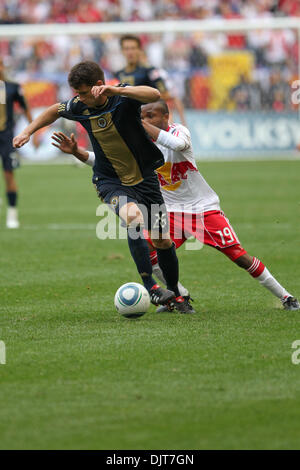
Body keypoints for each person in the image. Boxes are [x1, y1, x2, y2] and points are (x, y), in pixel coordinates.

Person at [53, 99, 300, 313]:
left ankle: (286, 296)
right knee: (148, 250)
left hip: (203, 209)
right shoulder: (138, 141)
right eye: (141, 116)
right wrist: (78, 152)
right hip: (170, 211)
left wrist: (141, 127)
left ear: (165, 116)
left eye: (151, 115)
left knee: (239, 256)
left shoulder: (180, 131)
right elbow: (109, 164)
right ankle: (178, 295)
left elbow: (178, 146)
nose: (144, 120)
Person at [13, 61, 191, 313]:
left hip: (145, 178)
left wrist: (116, 90)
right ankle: (150, 286)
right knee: (133, 217)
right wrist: (29, 132)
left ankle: (176, 297)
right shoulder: (78, 106)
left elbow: (154, 94)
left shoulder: (122, 98)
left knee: (162, 241)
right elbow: (54, 110)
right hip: (109, 180)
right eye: (76, 94)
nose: (80, 99)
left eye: (84, 93)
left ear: (98, 85)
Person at [115, 35, 186, 126]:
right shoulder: (118, 74)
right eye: (127, 49)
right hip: (126, 120)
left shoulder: (151, 72)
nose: (130, 52)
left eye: (133, 48)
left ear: (140, 50)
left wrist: (143, 98)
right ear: (122, 51)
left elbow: (166, 94)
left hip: (147, 121)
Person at [0, 57, 33, 228]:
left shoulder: (12, 87)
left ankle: (12, 213)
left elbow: (25, 107)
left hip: (6, 137)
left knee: (9, 173)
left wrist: (33, 130)